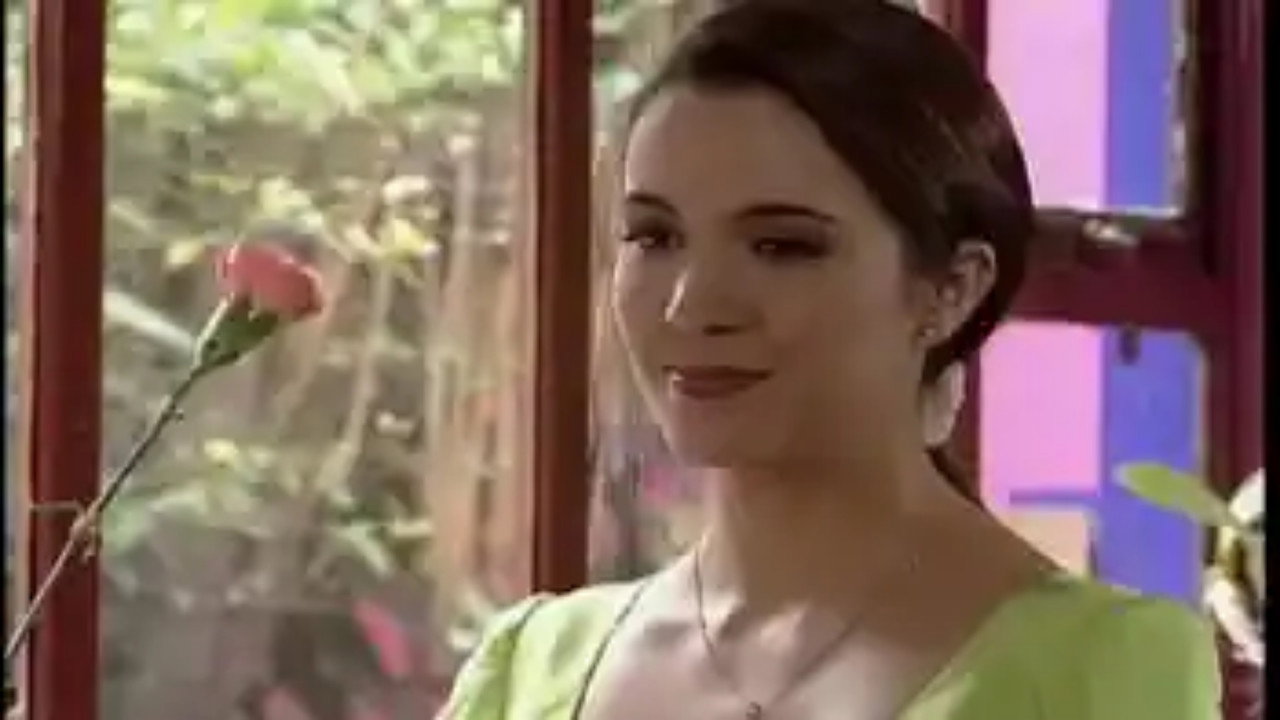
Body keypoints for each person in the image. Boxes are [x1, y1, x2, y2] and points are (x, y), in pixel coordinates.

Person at [439, 1, 1222, 718]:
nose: (691, 306)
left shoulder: (1100, 668)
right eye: (655, 236)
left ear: (951, 289)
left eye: (781, 246)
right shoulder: (529, 670)